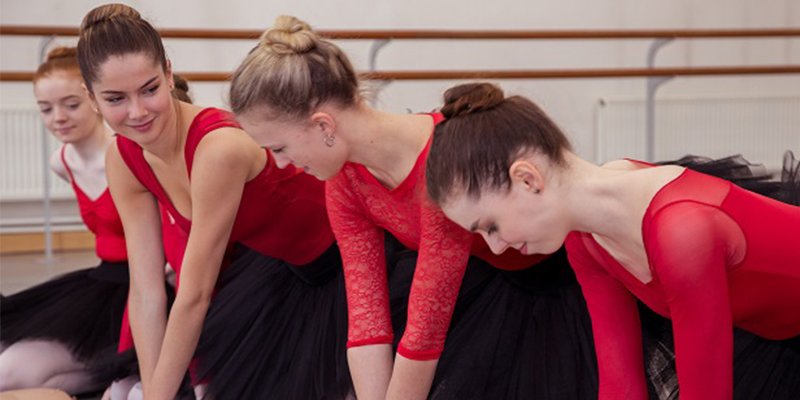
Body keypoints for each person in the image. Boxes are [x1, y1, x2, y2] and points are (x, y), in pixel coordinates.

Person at [226, 15, 622, 400]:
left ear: (324, 126)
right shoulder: (343, 180)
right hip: (479, 289)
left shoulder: (437, 164)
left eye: (279, 147)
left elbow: (425, 331)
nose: (279, 163)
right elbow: (366, 317)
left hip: (557, 289)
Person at [424, 82, 800, 400]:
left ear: (527, 179)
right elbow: (621, 386)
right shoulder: (587, 239)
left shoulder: (682, 233)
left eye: (490, 226)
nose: (496, 247)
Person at [77, 4, 350, 400]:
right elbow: (147, 289)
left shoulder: (218, 148)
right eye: (115, 99)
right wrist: (156, 389)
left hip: (339, 267)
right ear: (91, 98)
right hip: (272, 276)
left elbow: (194, 295)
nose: (137, 112)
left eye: (150, 89)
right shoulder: (122, 157)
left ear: (169, 74)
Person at [0, 46, 129, 395]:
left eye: (71, 105)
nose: (58, 117)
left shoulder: (129, 157)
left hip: (145, 287)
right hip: (100, 283)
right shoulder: (62, 161)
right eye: (45, 108)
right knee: (8, 367)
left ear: (94, 99)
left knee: (11, 374)